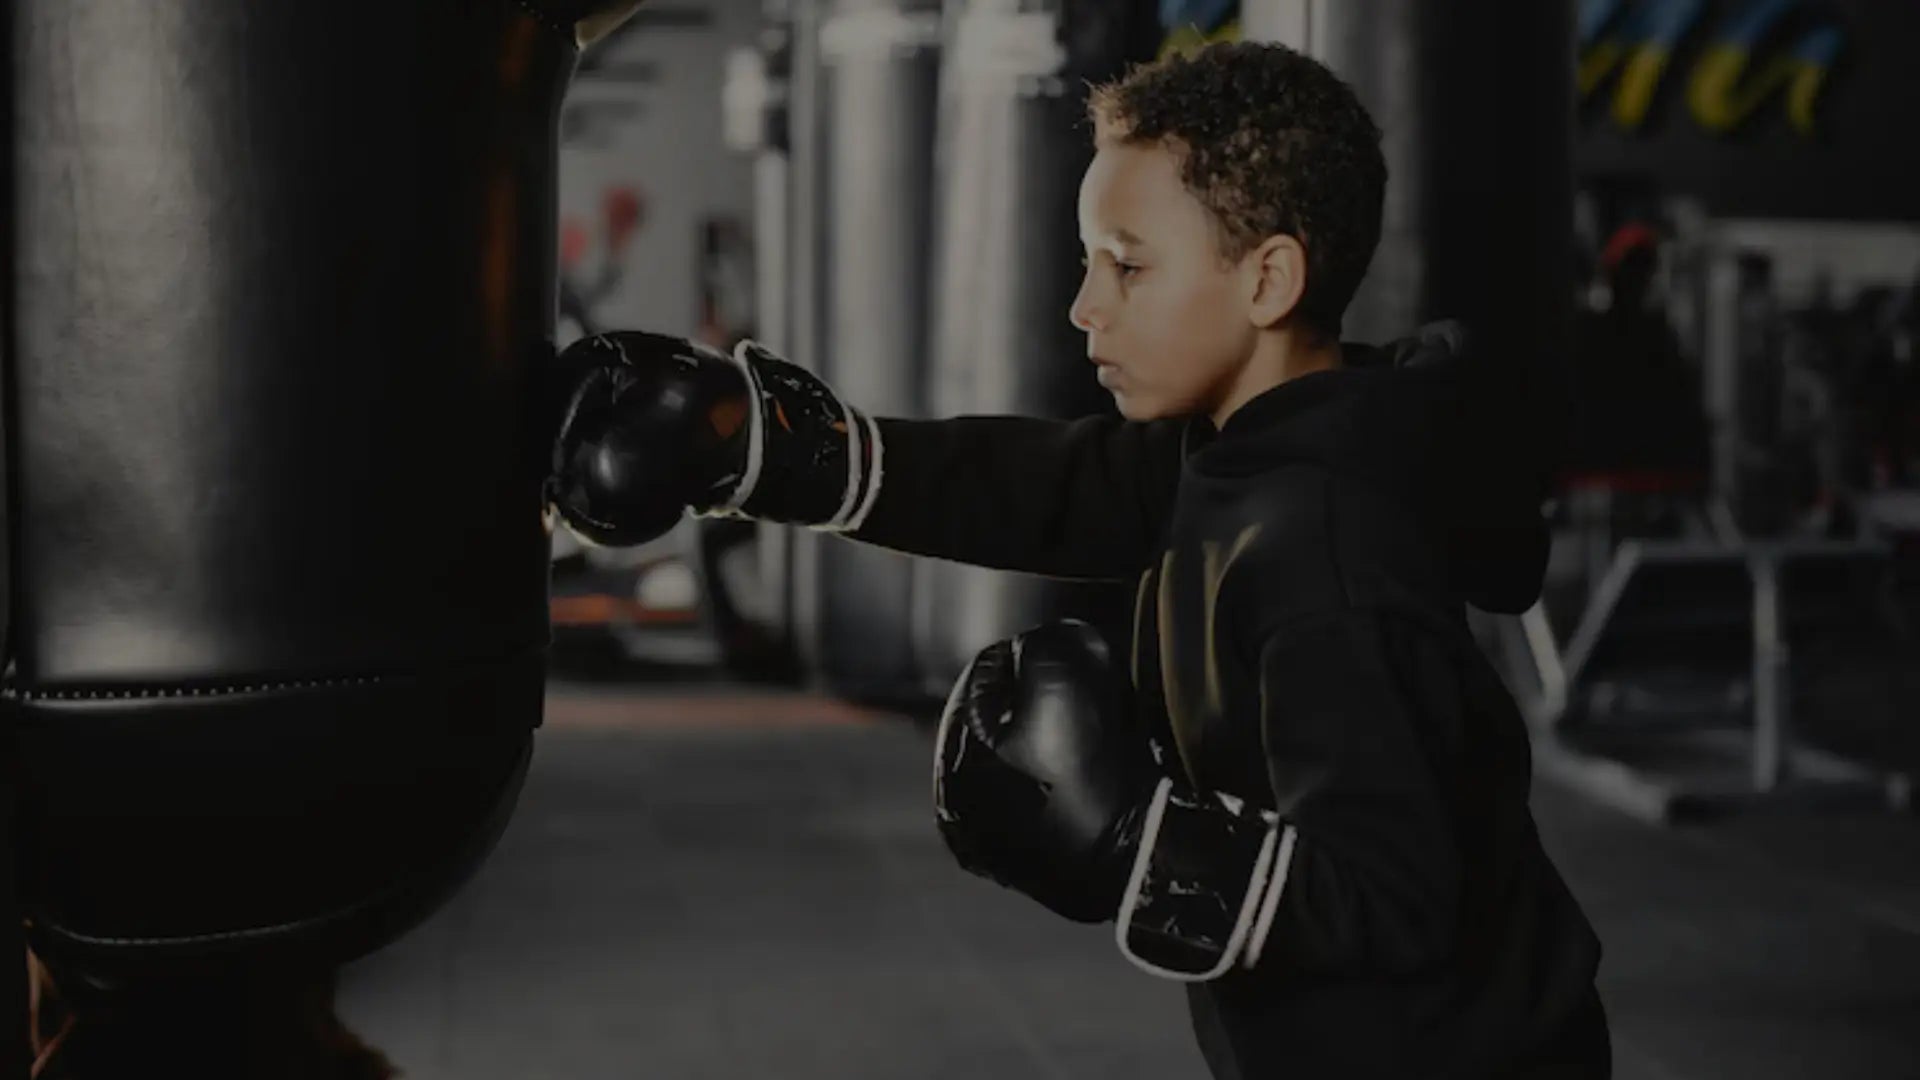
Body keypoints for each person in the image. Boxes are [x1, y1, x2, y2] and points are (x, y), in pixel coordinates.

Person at [546, 41, 1609, 1079]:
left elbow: (1397, 901)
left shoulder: (1330, 555)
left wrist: (1142, 843)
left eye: (1130, 267)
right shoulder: (1239, 450)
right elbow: (1038, 482)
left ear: (1269, 278)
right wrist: (763, 447)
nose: (1084, 307)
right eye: (1089, 262)